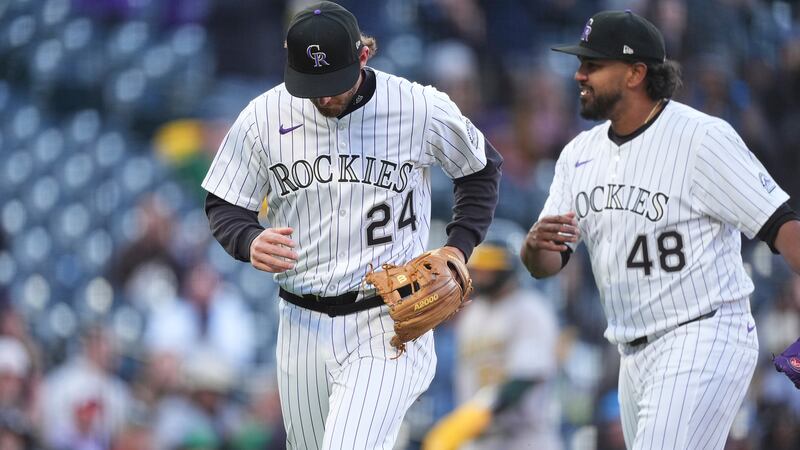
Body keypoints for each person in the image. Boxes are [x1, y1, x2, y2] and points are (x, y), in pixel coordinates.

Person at [201, 2, 502, 449]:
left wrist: (458, 247)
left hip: (387, 321)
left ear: (364, 56)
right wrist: (247, 239)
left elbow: (479, 169)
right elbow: (223, 203)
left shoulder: (417, 106)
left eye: (333, 83)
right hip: (300, 323)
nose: (323, 96)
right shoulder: (262, 117)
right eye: (311, 85)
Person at [522, 10, 800, 450]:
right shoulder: (578, 155)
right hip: (631, 355)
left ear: (636, 73)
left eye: (593, 64)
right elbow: (548, 264)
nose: (579, 74)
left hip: (704, 331)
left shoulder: (702, 138)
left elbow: (784, 228)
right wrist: (534, 247)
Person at [423, 221, 561, 450]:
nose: (481, 273)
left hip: (524, 439)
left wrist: (477, 412)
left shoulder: (531, 309)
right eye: (479, 266)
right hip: (478, 440)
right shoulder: (471, 314)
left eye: (490, 265)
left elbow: (525, 378)